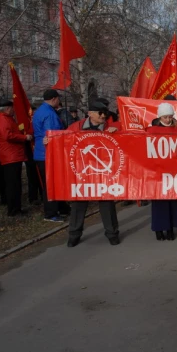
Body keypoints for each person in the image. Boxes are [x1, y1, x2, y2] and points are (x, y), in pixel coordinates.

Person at [65, 102, 121, 247]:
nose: (104, 116)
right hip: (82, 172)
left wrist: (118, 135)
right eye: (100, 113)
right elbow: (62, 141)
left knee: (107, 204)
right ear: (90, 113)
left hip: (104, 174)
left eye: (105, 113)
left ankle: (112, 234)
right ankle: (74, 235)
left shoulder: (112, 128)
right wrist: (49, 141)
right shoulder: (75, 127)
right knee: (79, 204)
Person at [146, 102, 177, 241]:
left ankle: (170, 228)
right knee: (159, 202)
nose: (167, 119)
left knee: (173, 200)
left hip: (174, 171)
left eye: (169, 116)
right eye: (165, 117)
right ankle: (158, 229)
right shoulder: (151, 131)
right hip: (158, 172)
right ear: (159, 117)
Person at [0, 99, 33, 216]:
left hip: (12, 155)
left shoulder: (5, 118)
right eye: (12, 108)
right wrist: (24, 138)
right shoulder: (3, 119)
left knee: (15, 183)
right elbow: (7, 135)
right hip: (10, 156)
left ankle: (16, 208)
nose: (14, 110)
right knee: (13, 184)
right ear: (8, 108)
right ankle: (13, 209)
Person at [32, 89, 69, 222]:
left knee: (48, 184)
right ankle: (51, 213)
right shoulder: (50, 114)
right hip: (48, 154)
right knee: (51, 184)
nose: (59, 101)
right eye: (58, 99)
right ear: (54, 99)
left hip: (40, 153)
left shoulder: (39, 111)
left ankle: (60, 208)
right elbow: (54, 135)